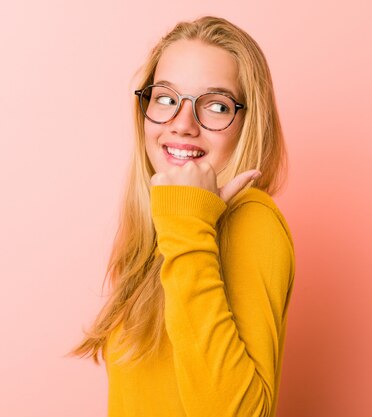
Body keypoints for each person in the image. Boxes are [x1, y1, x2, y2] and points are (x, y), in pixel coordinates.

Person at [69, 15, 295, 417]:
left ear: (248, 124)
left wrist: (189, 227)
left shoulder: (249, 221)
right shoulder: (161, 225)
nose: (183, 124)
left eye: (215, 105)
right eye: (167, 98)